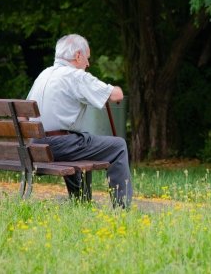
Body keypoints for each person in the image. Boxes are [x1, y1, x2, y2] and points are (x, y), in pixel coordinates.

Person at [25, 34, 133, 207]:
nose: (88, 64)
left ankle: (81, 204)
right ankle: (123, 208)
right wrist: (116, 88)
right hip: (60, 145)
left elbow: (24, 115)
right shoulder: (75, 76)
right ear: (78, 56)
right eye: (87, 58)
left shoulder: (43, 75)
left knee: (77, 139)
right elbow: (117, 95)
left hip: (36, 145)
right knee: (118, 146)